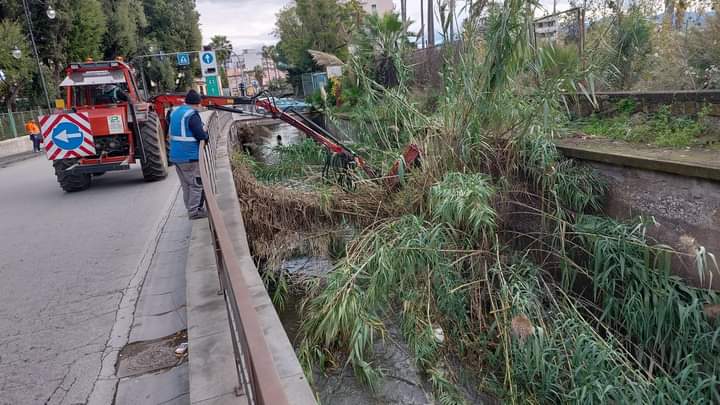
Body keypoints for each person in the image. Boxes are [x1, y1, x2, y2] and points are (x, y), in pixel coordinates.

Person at [169, 90, 208, 219]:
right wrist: (206, 135)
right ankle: (195, 211)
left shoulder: (176, 112)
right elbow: (200, 135)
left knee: (186, 185)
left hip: (177, 156)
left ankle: (190, 209)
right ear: (197, 103)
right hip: (190, 156)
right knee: (196, 184)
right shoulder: (192, 114)